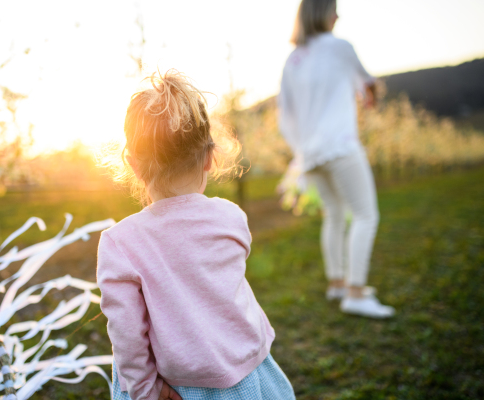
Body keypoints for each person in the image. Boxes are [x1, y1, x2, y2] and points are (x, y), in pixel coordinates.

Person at [97, 70, 295, 400]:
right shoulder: (231, 217)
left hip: (175, 387)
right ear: (209, 157)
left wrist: (146, 391)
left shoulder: (120, 243)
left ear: (133, 164)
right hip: (246, 376)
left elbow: (127, 335)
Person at [277, 0, 395, 318]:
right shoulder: (341, 47)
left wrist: (301, 149)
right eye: (334, 9)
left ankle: (337, 283)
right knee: (365, 215)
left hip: (310, 153)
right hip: (341, 145)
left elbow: (284, 116)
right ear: (324, 14)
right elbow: (369, 86)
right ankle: (355, 293)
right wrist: (370, 94)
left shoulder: (294, 60)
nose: (338, 15)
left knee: (334, 214)